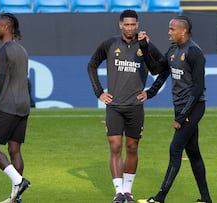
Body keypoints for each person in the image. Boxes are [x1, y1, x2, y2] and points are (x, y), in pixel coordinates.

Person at [87, 9, 163, 203]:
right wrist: (99, 92)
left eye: (133, 24)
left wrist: (151, 92)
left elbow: (161, 69)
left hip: (135, 107)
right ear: (120, 25)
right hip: (114, 106)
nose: (130, 28)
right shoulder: (110, 44)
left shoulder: (146, 45)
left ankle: (128, 192)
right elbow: (92, 65)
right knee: (115, 146)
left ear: (137, 25)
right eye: (126, 24)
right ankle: (118, 192)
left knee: (132, 147)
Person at [137, 15, 213, 203]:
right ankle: (206, 199)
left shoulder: (194, 53)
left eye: (172, 29)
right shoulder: (173, 50)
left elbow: (197, 88)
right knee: (193, 152)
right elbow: (156, 70)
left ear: (183, 31)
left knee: (175, 149)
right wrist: (145, 48)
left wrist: (181, 117)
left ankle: (160, 197)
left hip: (193, 108)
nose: (168, 32)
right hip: (181, 107)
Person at [0, 13, 31, 203]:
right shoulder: (22, 50)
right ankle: (15, 198)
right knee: (14, 149)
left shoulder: (2, 51)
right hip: (24, 106)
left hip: (7, 106)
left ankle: (18, 182)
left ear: (7, 27)